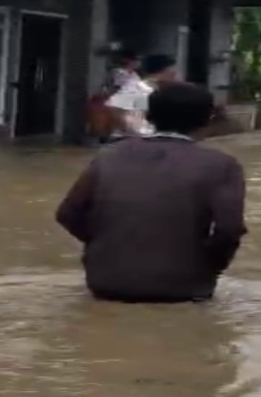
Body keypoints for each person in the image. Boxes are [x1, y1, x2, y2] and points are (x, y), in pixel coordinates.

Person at [56, 82, 247, 303]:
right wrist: (209, 268)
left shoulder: (109, 155)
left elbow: (67, 214)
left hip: (105, 283)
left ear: (147, 115)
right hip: (183, 288)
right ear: (207, 119)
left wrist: (103, 243)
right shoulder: (222, 165)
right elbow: (229, 229)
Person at [105, 54, 179, 139]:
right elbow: (115, 108)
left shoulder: (159, 91)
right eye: (172, 69)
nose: (175, 73)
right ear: (163, 71)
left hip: (151, 139)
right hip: (132, 139)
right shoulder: (136, 88)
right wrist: (131, 129)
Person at [88, 48, 141, 143]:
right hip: (116, 103)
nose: (138, 63)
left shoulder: (134, 75)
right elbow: (117, 88)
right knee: (113, 125)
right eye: (136, 60)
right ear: (129, 61)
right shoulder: (118, 72)